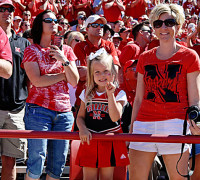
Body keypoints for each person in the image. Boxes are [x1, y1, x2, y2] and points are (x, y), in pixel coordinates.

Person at [129, 3, 200, 180]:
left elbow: (195, 98)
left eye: (169, 22)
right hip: (143, 124)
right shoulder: (145, 57)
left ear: (178, 25)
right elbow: (138, 98)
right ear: (153, 27)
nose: (164, 28)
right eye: (158, 24)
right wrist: (132, 127)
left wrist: (197, 122)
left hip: (176, 124)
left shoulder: (190, 56)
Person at [21, 9, 79, 180]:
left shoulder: (67, 50)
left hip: (64, 112)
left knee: (57, 164)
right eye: (49, 20)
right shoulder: (32, 49)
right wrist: (63, 74)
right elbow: (37, 81)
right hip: (38, 110)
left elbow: (74, 81)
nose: (54, 23)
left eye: (56, 20)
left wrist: (64, 60)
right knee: (36, 162)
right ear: (40, 24)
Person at [75, 48, 129, 179]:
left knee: (107, 177)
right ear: (91, 75)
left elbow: (115, 117)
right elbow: (80, 117)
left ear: (113, 73)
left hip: (109, 141)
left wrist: (110, 95)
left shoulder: (119, 94)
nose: (102, 75)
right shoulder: (86, 93)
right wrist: (82, 129)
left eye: (106, 71)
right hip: (90, 140)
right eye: (97, 72)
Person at [0, 0, 31, 179]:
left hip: (15, 109)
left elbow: (28, 77)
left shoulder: (24, 43)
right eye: (2, 9)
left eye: (10, 9)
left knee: (10, 161)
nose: (7, 13)